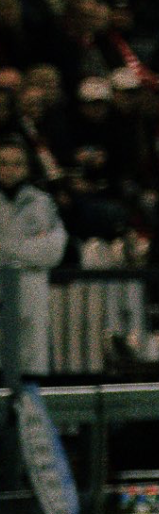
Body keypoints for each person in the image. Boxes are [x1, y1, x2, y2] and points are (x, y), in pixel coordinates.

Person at [0, 138, 69, 377]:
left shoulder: (41, 203)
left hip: (31, 294)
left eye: (17, 164)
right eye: (3, 163)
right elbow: (37, 250)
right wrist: (27, 249)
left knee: (29, 374)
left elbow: (53, 250)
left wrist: (6, 249)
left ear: (27, 167)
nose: (9, 170)